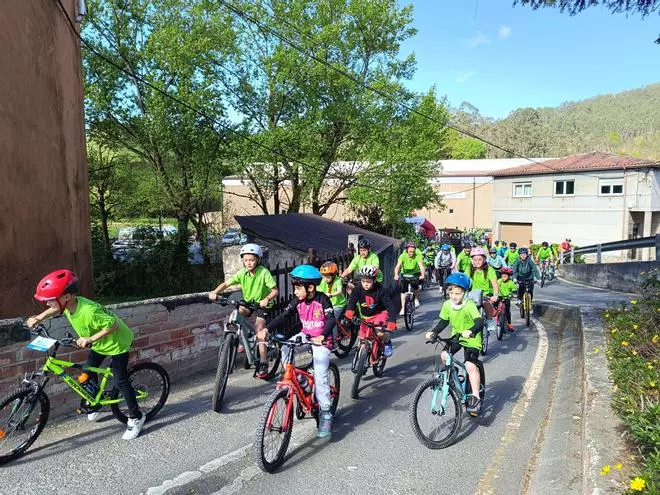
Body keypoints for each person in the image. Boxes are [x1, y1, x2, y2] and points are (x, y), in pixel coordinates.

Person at [27, 269, 146, 440]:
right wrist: (38, 318)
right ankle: (95, 403)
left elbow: (112, 325)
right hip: (100, 344)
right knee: (88, 374)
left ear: (66, 297)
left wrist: (90, 338)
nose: (48, 304)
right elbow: (54, 309)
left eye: (50, 300)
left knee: (121, 381)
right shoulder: (68, 305)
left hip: (117, 344)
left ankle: (136, 417)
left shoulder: (89, 311)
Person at [263, 265, 335, 438]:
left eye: (297, 288)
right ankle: (299, 378)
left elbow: (331, 319)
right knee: (286, 346)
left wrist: (323, 336)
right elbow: (283, 316)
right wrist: (267, 329)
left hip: (322, 341)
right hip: (305, 335)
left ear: (310, 288)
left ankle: (326, 412)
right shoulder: (297, 302)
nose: (294, 291)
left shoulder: (323, 299)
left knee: (321, 375)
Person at [209, 243, 278, 379]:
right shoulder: (242, 273)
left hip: (263, 304)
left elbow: (275, 290)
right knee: (236, 315)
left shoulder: (263, 272)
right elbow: (227, 284)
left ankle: (263, 362)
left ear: (258, 259)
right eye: (246, 260)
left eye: (251, 260)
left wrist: (266, 298)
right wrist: (214, 292)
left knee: (259, 330)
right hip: (249, 302)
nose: (248, 263)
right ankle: (242, 340)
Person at [425, 272, 483, 416]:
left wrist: (471, 330)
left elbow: (479, 321)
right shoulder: (447, 305)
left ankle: (475, 397)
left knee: (470, 365)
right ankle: (453, 374)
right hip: (457, 336)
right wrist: (434, 332)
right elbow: (444, 321)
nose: (454, 296)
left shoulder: (469, 304)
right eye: (451, 293)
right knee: (444, 354)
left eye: (458, 293)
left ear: (465, 293)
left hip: (471, 337)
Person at [344, 265, 398, 357]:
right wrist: (349, 311)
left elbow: (390, 306)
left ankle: (387, 342)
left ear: (374, 280)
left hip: (379, 314)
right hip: (365, 316)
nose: (365, 284)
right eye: (363, 281)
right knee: (362, 338)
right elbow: (352, 300)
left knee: (380, 333)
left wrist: (392, 321)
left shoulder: (381, 291)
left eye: (368, 282)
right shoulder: (358, 288)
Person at [467, 247, 500, 334]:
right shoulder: (469, 269)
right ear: (472, 260)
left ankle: (489, 321)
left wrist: (495, 295)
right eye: (475, 259)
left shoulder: (490, 269)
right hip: (472, 294)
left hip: (485, 294)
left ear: (484, 259)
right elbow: (464, 281)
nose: (477, 262)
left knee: (486, 303)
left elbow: (495, 284)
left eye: (480, 259)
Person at [394, 241, 426, 314]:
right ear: (406, 250)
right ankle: (402, 308)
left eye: (413, 251)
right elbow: (397, 266)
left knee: (415, 286)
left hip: (414, 273)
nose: (412, 253)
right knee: (403, 291)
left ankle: (416, 299)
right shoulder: (402, 256)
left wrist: (423, 275)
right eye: (410, 251)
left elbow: (421, 266)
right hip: (404, 274)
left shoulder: (417, 256)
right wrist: (396, 275)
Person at [318, 261, 346, 339]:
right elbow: (319, 289)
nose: (325, 279)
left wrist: (332, 294)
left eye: (328, 277)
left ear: (333, 275)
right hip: (327, 304)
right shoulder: (323, 281)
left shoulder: (337, 280)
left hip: (338, 304)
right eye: (324, 276)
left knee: (331, 321)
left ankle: (334, 340)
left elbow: (339, 290)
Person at [497, 267, 517, 332]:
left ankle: (509, 324)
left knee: (507, 311)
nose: (503, 277)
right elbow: (494, 288)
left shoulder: (511, 283)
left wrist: (512, 294)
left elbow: (514, 290)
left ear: (508, 276)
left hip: (506, 298)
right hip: (499, 297)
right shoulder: (499, 281)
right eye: (502, 276)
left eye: (505, 276)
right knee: (494, 306)